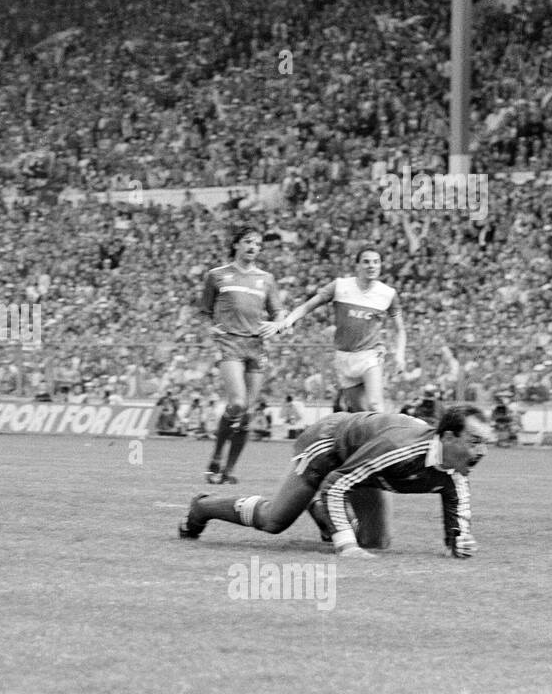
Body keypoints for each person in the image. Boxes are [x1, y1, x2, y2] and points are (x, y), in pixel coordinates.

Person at [179, 405, 490, 559]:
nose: (482, 451)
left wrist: (458, 542)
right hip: (330, 446)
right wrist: (346, 546)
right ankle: (201, 507)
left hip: (365, 465)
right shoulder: (400, 450)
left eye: (484, 443)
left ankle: (320, 510)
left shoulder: (452, 471)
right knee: (275, 521)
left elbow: (456, 507)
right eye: (474, 441)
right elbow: (336, 481)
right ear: (448, 438)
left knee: (376, 543)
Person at [200, 225, 285, 483]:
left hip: (256, 345)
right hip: (230, 343)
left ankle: (229, 470)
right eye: (248, 241)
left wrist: (277, 324)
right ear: (236, 244)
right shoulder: (217, 275)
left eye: (257, 244)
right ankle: (216, 457)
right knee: (237, 403)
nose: (253, 247)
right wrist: (210, 329)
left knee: (247, 413)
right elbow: (204, 311)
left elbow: (278, 313)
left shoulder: (266, 279)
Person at [276, 247, 405, 413]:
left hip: (370, 355)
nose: (371, 266)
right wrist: (289, 320)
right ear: (357, 265)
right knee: (361, 411)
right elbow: (309, 305)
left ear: (380, 265)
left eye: (376, 262)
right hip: (343, 356)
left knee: (375, 406)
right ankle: (366, 438)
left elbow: (400, 329)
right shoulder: (340, 286)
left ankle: (385, 438)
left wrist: (399, 355)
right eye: (366, 262)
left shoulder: (388, 293)